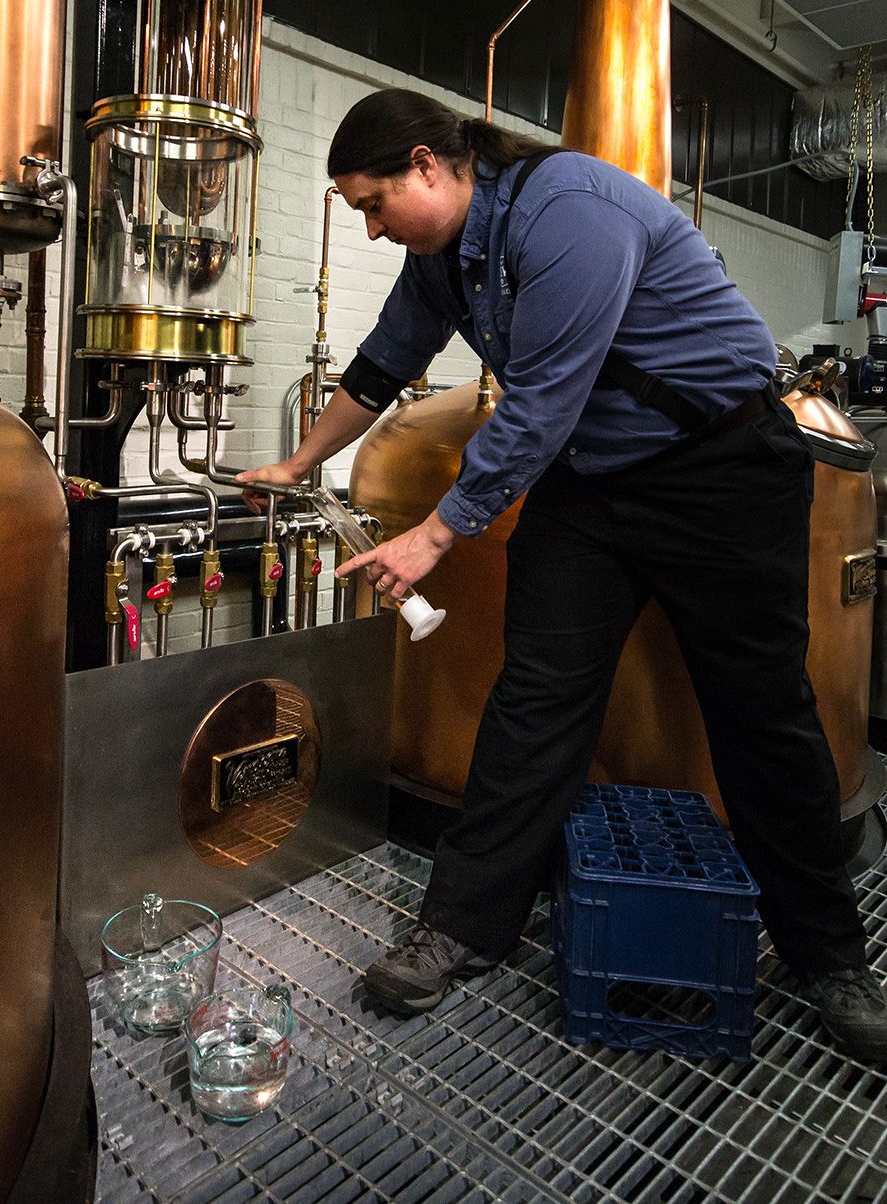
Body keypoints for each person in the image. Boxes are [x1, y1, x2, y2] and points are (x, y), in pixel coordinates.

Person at [237, 87, 887, 1063]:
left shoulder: (570, 212)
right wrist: (295, 464)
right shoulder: (442, 255)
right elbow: (380, 368)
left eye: (373, 204)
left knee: (761, 712)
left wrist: (434, 535)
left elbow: (538, 406)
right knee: (535, 702)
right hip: (593, 482)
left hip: (721, 469)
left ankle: (831, 959)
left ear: (426, 165)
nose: (371, 231)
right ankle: (460, 927)